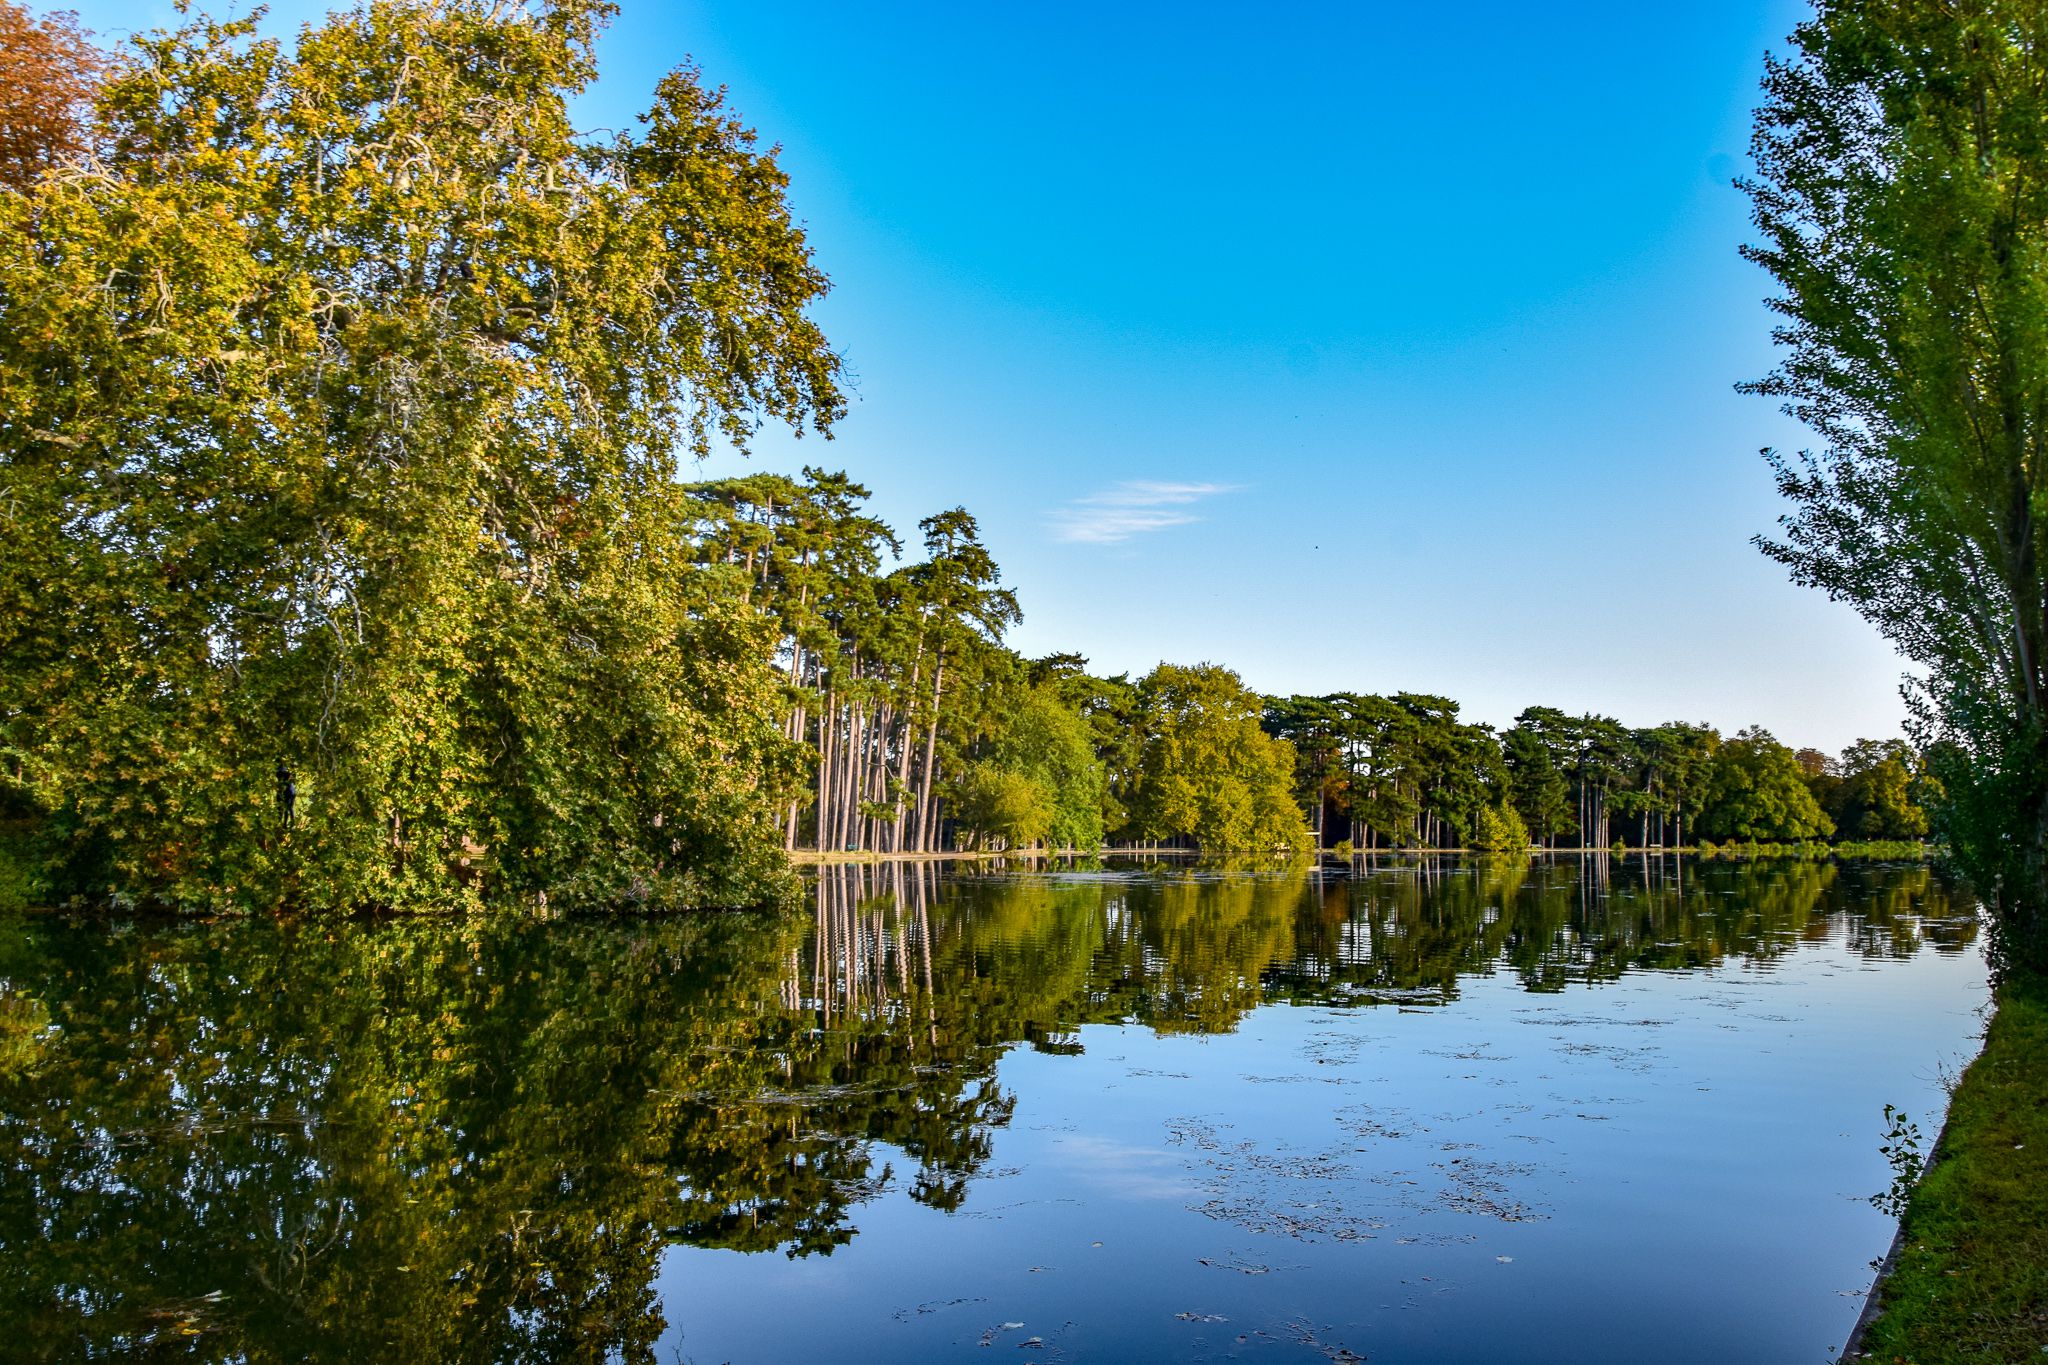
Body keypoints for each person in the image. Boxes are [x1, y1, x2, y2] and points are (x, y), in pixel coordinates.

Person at [275, 760, 296, 829]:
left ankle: (285, 824)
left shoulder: (281, 773)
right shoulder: (287, 773)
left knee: (286, 808)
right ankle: (284, 824)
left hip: (288, 792)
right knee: (287, 808)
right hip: (288, 792)